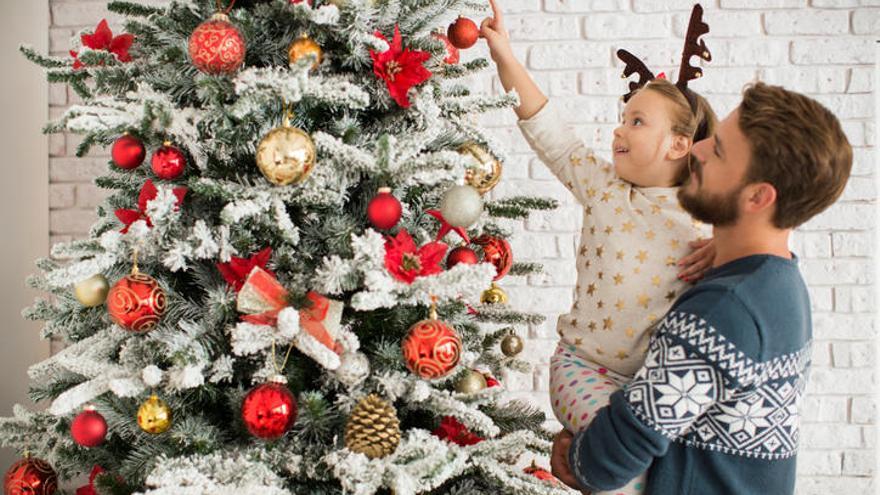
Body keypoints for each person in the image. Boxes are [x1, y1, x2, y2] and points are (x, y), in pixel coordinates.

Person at [548, 81, 853, 494]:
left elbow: (614, 455)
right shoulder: (781, 283)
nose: (697, 150)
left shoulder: (721, 311)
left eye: (719, 149)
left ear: (758, 197)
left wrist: (578, 460)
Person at [480, 2, 718, 493]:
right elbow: (552, 134)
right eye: (622, 118)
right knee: (625, 464)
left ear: (677, 145)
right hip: (583, 368)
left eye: (636, 122)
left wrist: (723, 247)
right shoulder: (604, 188)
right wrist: (504, 55)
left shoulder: (704, 217)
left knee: (675, 465)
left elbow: (772, 230)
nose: (617, 129)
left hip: (656, 389)